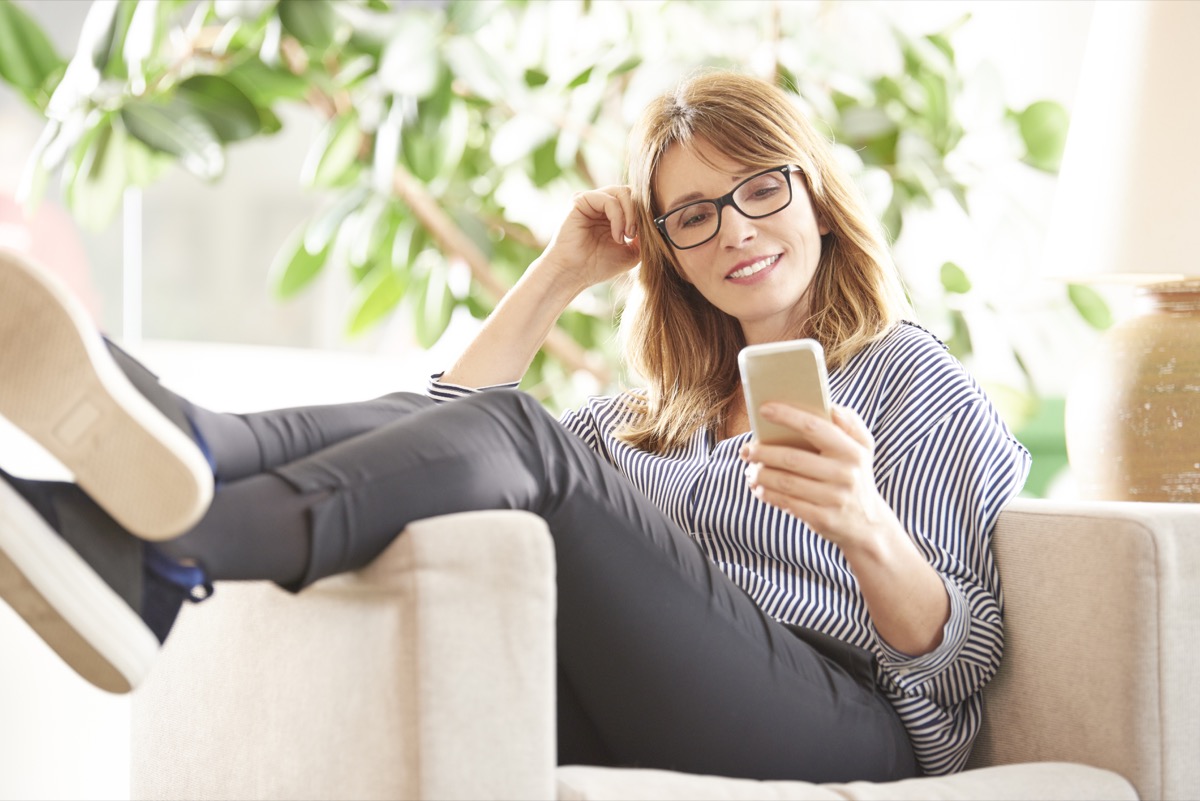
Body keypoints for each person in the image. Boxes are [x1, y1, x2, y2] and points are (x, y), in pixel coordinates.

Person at [0, 71, 1028, 783]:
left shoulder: (908, 379)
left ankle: (175, 548)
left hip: (844, 722)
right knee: (503, 439)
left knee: (527, 438)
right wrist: (558, 273)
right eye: (696, 213)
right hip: (646, 704)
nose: (738, 230)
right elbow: (443, 437)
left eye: (761, 189)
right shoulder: (647, 420)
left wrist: (866, 527)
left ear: (816, 194)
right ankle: (196, 437)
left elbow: (965, 664)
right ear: (668, 248)